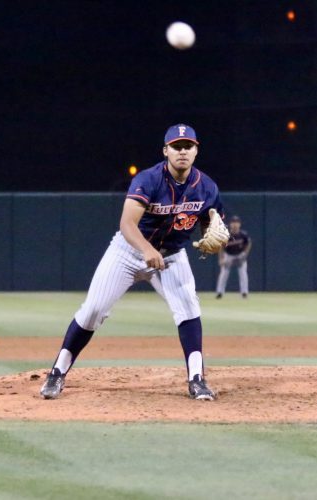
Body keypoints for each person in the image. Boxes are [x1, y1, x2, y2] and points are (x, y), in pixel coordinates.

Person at [39, 123, 229, 401]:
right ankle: (57, 372)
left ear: (196, 151)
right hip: (128, 252)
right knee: (93, 310)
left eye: (187, 146)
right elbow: (127, 224)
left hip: (171, 256)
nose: (182, 151)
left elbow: (212, 225)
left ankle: (197, 379)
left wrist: (218, 237)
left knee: (188, 308)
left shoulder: (208, 188)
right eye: (176, 147)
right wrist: (146, 248)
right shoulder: (148, 180)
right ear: (165, 151)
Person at [215, 215, 251, 299]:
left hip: (239, 255)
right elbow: (221, 247)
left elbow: (249, 243)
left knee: (243, 273)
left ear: (239, 224)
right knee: (224, 273)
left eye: (237, 222)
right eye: (233, 222)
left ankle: (244, 292)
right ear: (230, 224)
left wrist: (245, 254)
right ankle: (220, 292)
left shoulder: (243, 235)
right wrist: (221, 258)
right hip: (228, 255)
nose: (235, 224)